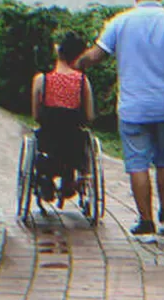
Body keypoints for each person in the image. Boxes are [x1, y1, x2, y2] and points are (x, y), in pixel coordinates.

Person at [74, 0, 164, 242]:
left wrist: (75, 64)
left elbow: (96, 56)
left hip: (133, 107)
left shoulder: (119, 22)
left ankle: (146, 223)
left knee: (138, 164)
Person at [31, 31, 96, 206]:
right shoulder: (83, 81)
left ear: (59, 52)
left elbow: (36, 115)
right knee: (79, 139)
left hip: (48, 142)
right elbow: (89, 116)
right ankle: (69, 180)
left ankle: (45, 179)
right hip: (74, 146)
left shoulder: (41, 80)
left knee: (41, 137)